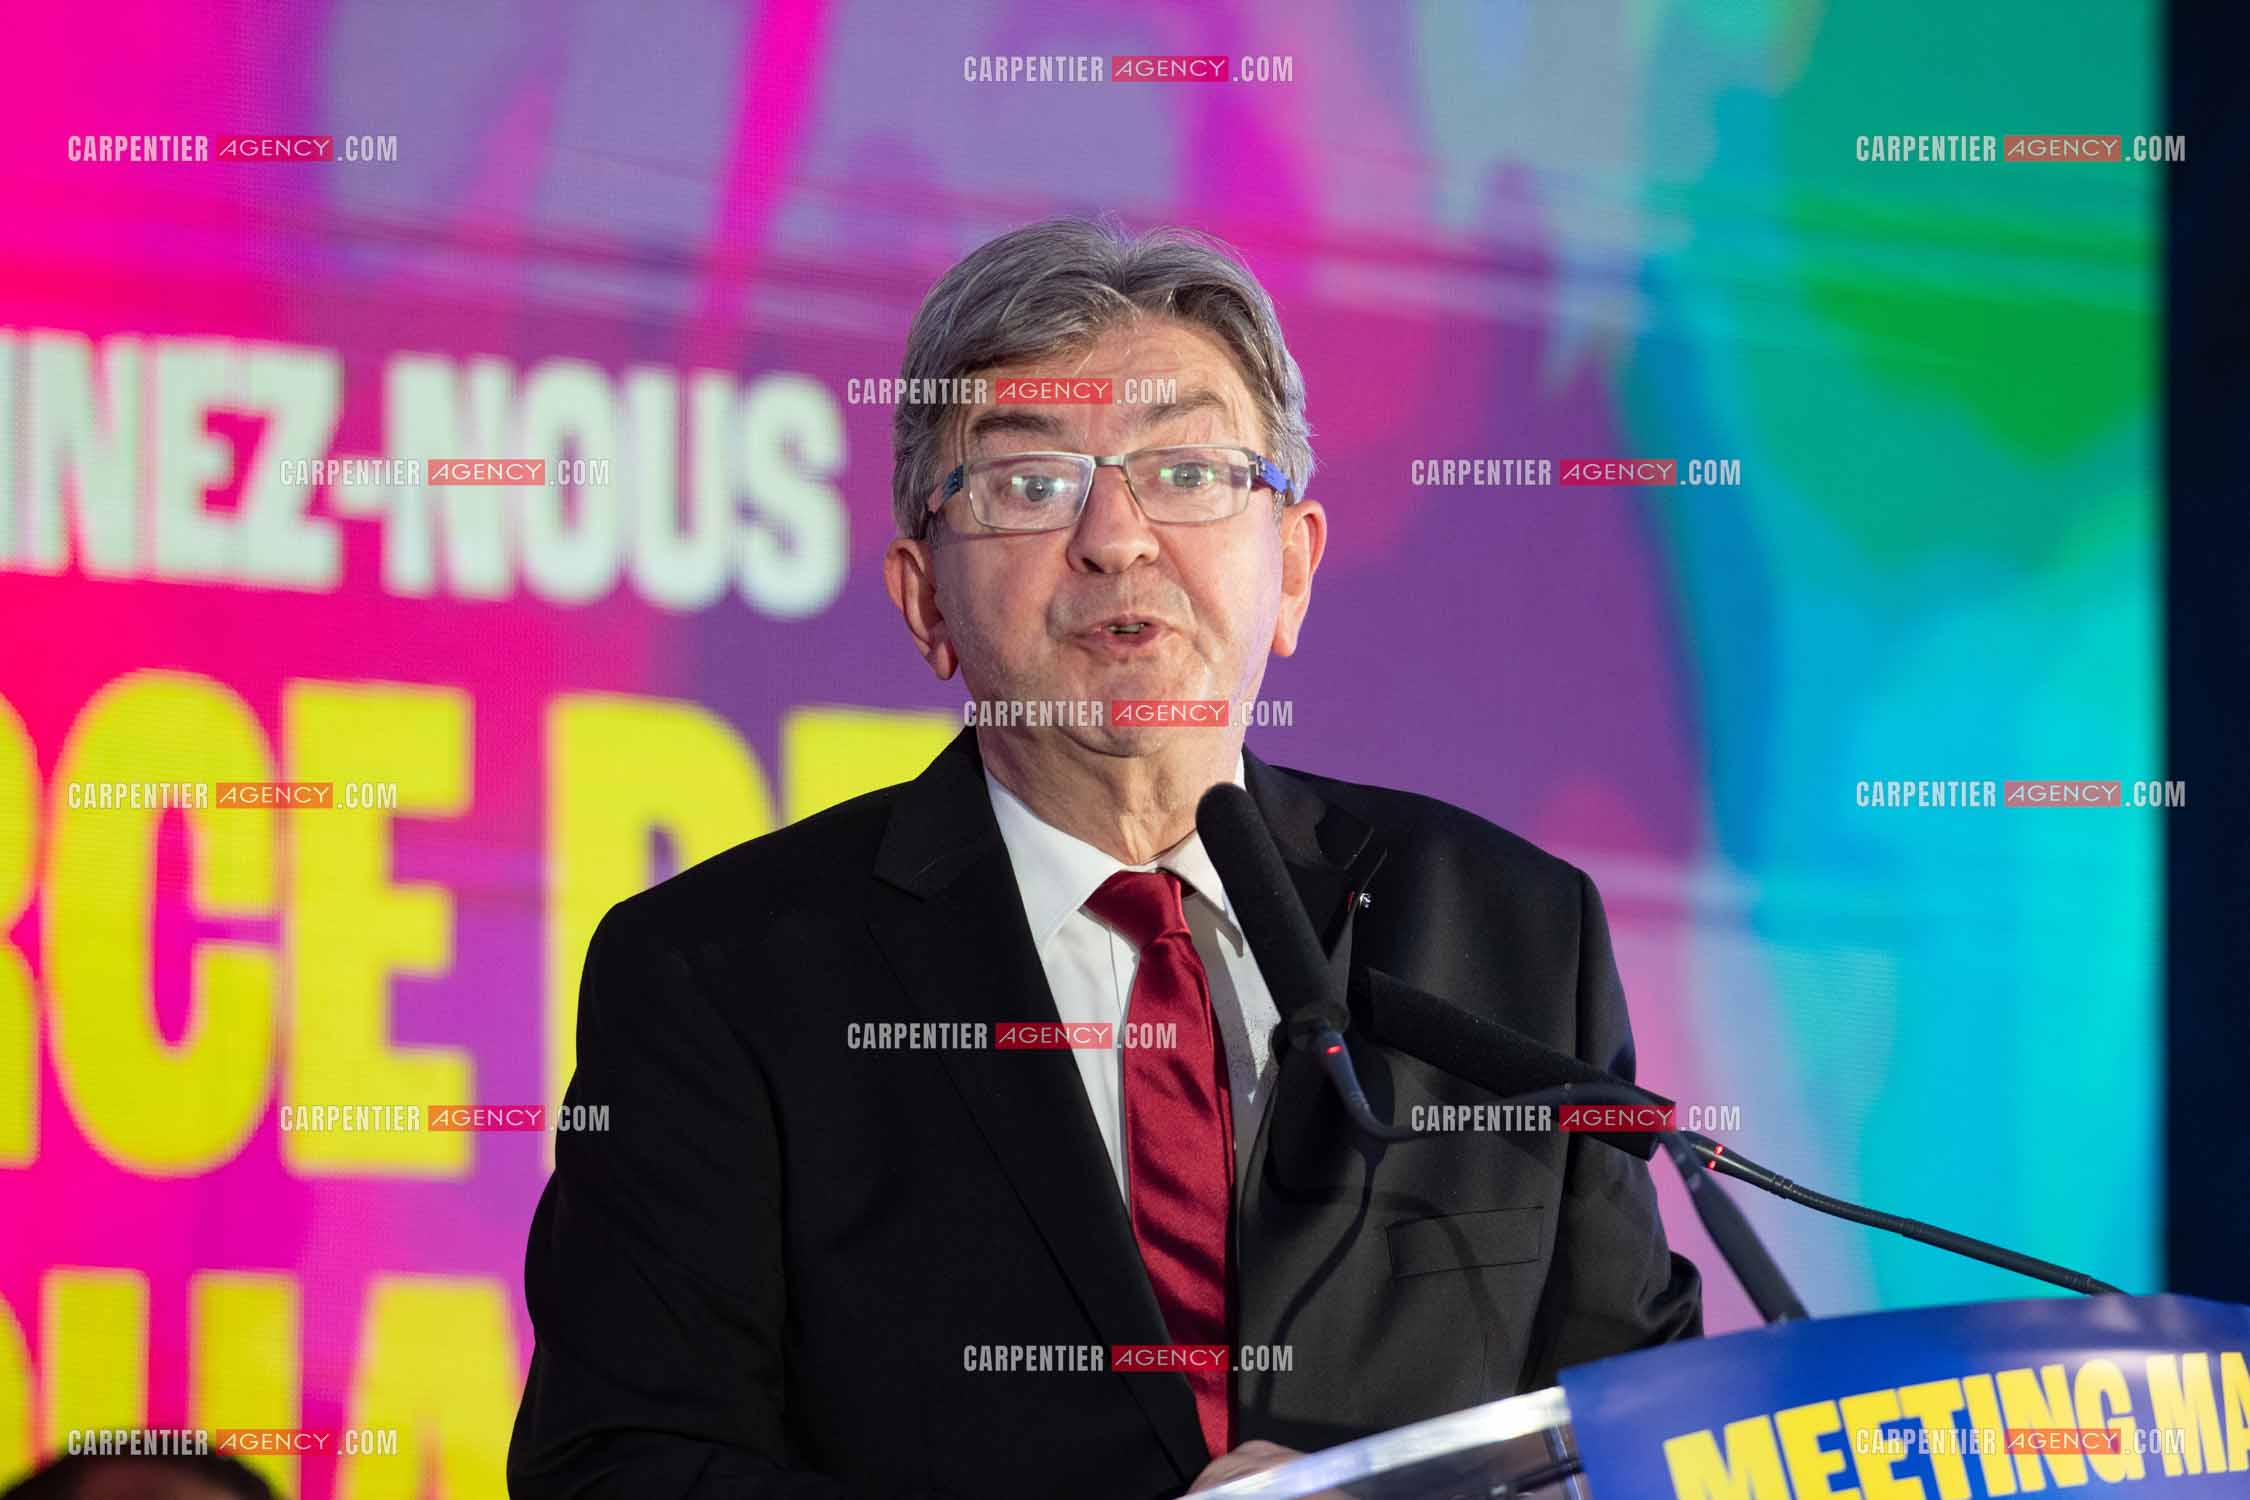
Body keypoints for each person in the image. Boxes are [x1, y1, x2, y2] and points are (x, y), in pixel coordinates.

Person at [509, 216, 1699, 1500]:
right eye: (1031, 484)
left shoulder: (1514, 934)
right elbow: (615, 1471)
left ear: (1294, 567)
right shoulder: (722, 977)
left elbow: (1652, 1441)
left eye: (1188, 470)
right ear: (925, 599)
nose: (1117, 537)